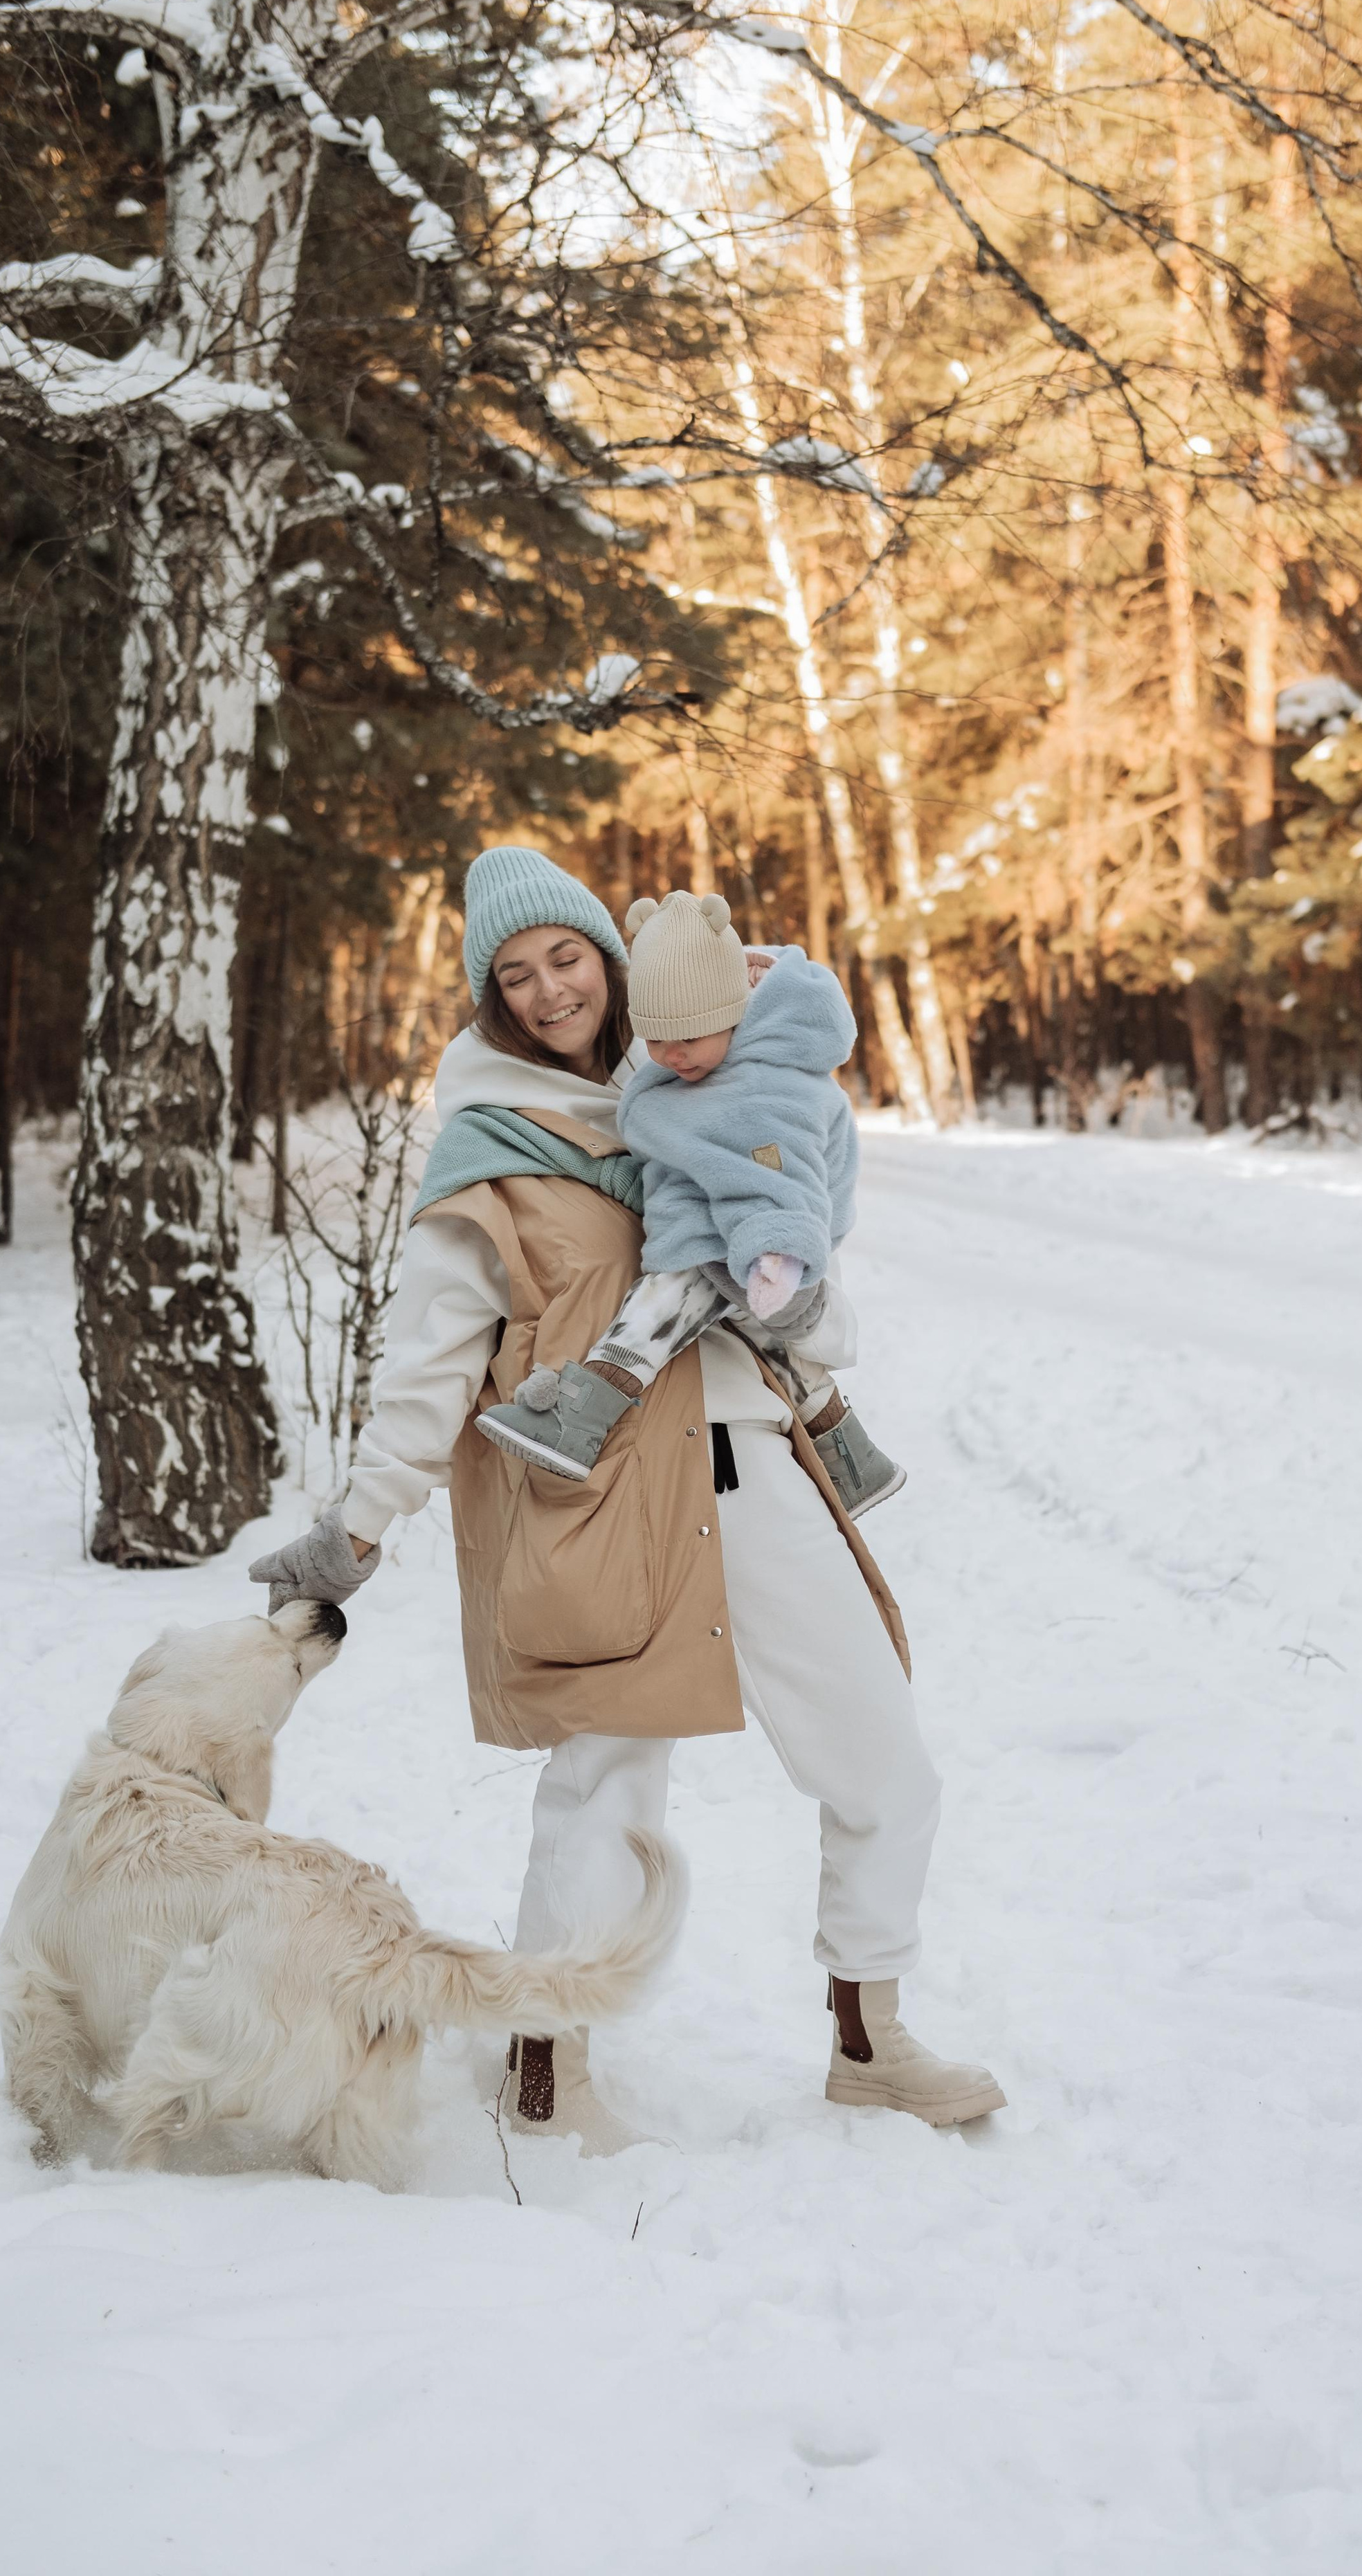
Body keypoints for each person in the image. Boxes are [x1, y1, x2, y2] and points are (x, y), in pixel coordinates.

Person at [250, 845, 1004, 2152]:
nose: (550, 991)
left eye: (568, 956)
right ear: (492, 1000)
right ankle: (545, 2071)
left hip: (754, 1465)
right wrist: (362, 1523)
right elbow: (431, 1351)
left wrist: (818, 1313)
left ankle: (872, 2036)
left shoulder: (711, 1085)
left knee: (886, 1754)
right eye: (516, 974)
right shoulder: (488, 1150)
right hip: (597, 1496)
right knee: (606, 1784)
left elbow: (797, 1262)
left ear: (612, 954)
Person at [473, 885, 904, 1518]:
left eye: (691, 1037)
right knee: (771, 1344)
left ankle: (583, 1414)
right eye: (656, 1041)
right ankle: (853, 1459)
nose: (672, 1056)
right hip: (734, 1229)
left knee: (664, 1299)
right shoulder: (702, 1063)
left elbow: (779, 1177)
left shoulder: (767, 1082)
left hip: (770, 1237)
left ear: (732, 1012)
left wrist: (777, 1254)